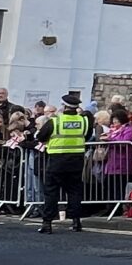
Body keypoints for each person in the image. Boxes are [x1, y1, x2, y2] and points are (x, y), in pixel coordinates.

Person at [37, 90, 91, 232]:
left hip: (57, 161)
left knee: (51, 192)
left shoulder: (55, 121)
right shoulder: (83, 121)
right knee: (74, 191)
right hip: (76, 161)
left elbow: (41, 136)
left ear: (64, 106)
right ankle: (76, 222)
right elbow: (88, 135)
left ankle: (47, 223)